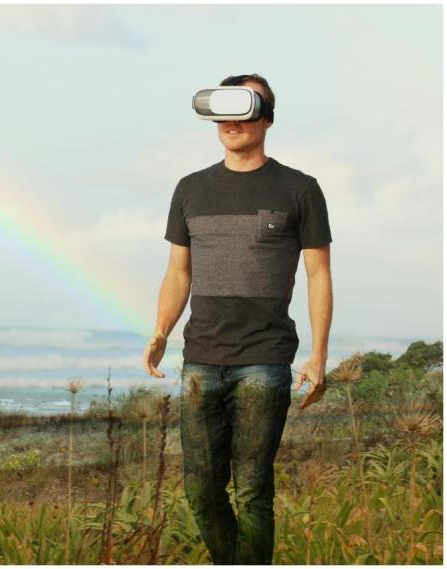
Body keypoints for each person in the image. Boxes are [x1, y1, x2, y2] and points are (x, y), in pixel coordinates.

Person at [142, 73, 333, 564]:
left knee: (251, 488)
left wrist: (318, 355)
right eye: (222, 110)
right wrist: (161, 330)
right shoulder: (190, 189)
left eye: (244, 108)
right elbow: (177, 272)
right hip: (201, 358)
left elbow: (318, 276)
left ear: (266, 117)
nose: (232, 120)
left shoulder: (300, 189)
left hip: (265, 360)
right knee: (201, 492)